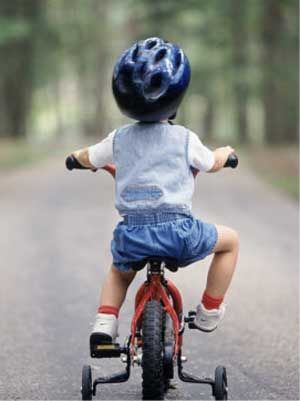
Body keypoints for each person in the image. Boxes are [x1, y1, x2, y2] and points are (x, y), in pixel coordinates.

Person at [66, 37, 239, 348]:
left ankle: (105, 322)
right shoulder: (184, 138)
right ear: (177, 96)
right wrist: (225, 154)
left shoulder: (118, 139)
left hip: (133, 235)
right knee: (230, 242)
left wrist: (75, 159)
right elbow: (211, 163)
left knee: (120, 272)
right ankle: (209, 311)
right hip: (179, 235)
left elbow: (89, 157)